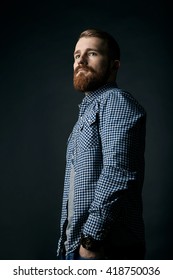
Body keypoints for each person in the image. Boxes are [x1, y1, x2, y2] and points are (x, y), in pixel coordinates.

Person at [57, 28, 146, 260]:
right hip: (78, 247)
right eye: (77, 55)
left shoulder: (115, 101)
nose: (81, 61)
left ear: (114, 65)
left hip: (102, 249)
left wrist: (92, 238)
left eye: (92, 53)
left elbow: (118, 173)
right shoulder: (87, 112)